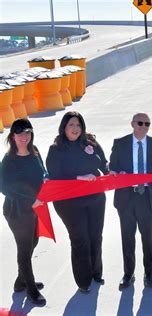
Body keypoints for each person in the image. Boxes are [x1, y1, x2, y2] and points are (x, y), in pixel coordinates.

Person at [46, 111, 108, 293]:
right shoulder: (56, 149)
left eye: (78, 125)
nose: (75, 129)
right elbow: (54, 176)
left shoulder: (90, 143)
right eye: (71, 125)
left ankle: (96, 272)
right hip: (69, 202)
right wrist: (78, 177)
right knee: (80, 239)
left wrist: (111, 171)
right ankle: (83, 281)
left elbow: (103, 163)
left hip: (95, 197)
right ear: (64, 127)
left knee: (96, 236)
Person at [109, 113, 152, 290]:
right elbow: (112, 166)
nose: (143, 126)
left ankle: (149, 274)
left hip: (147, 197)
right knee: (127, 237)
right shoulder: (120, 143)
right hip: (126, 197)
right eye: (140, 123)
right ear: (132, 124)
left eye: (147, 124)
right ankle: (128, 274)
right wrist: (116, 173)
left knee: (148, 238)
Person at [1, 118, 47, 305]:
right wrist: (31, 200)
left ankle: (21, 281)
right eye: (19, 134)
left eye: (27, 133)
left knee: (34, 241)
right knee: (25, 247)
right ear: (12, 136)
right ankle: (31, 288)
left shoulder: (35, 152)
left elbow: (43, 173)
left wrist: (47, 183)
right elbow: (4, 187)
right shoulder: (9, 160)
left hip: (36, 208)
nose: (24, 137)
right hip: (17, 211)